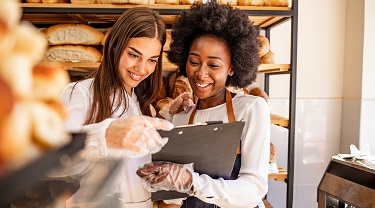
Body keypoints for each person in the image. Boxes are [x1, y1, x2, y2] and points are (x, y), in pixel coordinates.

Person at [136, 2, 270, 208]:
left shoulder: (252, 108)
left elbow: (253, 189)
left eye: (214, 65)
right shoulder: (181, 116)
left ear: (232, 68)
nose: (200, 73)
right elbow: (174, 197)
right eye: (194, 61)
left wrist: (192, 182)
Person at [58, 7, 174, 208]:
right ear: (115, 46)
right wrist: (104, 137)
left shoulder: (141, 104)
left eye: (152, 60)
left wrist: (171, 117)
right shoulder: (80, 92)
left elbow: (134, 172)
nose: (141, 68)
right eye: (133, 54)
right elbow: (54, 162)